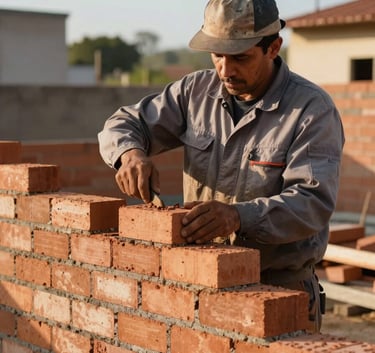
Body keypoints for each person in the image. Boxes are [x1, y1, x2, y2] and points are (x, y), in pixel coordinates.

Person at [98, 0, 345, 333]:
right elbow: (125, 123)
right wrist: (130, 154)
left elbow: (312, 203)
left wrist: (238, 216)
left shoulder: (311, 111)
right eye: (217, 55)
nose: (225, 70)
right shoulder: (194, 92)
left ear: (273, 47)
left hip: (278, 290)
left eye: (240, 57)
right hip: (200, 284)